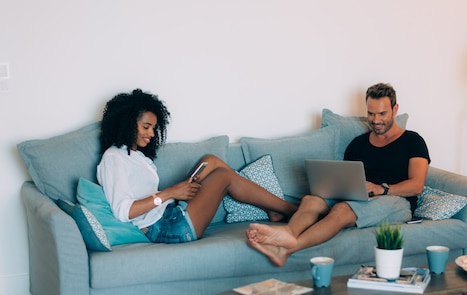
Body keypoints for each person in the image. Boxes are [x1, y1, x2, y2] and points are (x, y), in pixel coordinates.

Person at [246, 82, 430, 266]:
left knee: (342, 209)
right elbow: (347, 177)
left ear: (395, 109)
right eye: (371, 113)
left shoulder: (412, 141)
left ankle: (285, 249)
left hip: (397, 201)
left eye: (382, 113)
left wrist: (383, 189)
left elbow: (416, 185)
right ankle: (288, 233)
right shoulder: (358, 144)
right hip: (361, 197)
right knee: (312, 200)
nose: (375, 120)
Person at [97, 89, 297, 244]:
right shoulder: (113, 158)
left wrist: (177, 192)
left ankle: (274, 211)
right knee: (222, 177)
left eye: (154, 128)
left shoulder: (137, 157)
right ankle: (289, 209)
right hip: (167, 229)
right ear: (127, 123)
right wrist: (170, 193)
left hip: (169, 213)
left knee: (210, 161)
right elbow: (123, 211)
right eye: (146, 127)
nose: (151, 134)